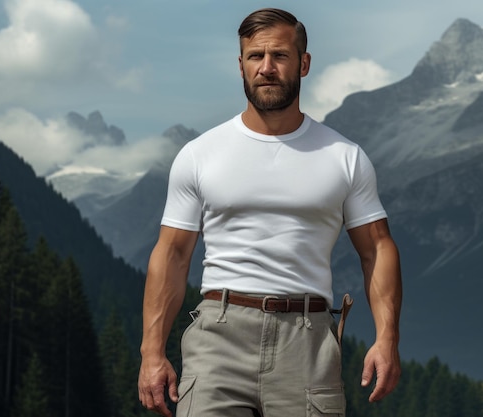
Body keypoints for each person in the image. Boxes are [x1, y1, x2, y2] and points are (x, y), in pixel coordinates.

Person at [138, 8, 402, 417]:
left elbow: (378, 249)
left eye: (279, 55)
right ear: (239, 66)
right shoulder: (199, 155)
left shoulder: (345, 157)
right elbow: (171, 255)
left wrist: (387, 339)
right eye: (254, 56)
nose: (266, 68)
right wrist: (151, 352)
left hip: (308, 341)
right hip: (217, 339)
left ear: (304, 63)